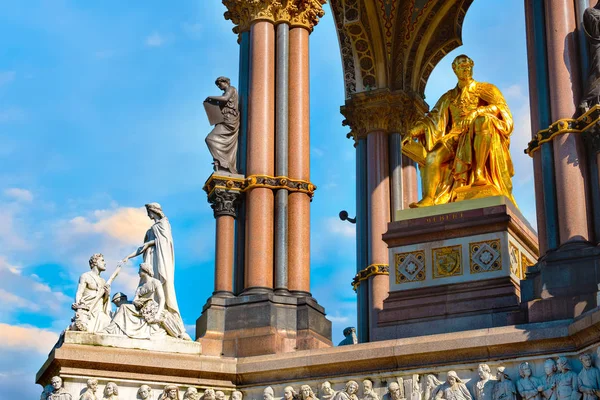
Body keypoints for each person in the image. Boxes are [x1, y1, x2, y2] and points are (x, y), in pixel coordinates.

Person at [405, 54, 515, 207]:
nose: (466, 69)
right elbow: (432, 118)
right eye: (462, 67)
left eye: (468, 66)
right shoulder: (449, 97)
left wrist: (476, 112)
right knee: (433, 157)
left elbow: (501, 109)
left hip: (477, 132)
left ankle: (478, 175)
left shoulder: (486, 89)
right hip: (455, 137)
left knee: (482, 122)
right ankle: (429, 198)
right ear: (454, 69)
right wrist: (413, 132)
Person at [122, 203, 190, 340]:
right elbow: (143, 247)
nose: (148, 215)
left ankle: (163, 310)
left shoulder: (163, 224)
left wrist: (151, 243)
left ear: (154, 211)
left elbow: (165, 242)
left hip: (160, 258)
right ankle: (148, 307)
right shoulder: (151, 229)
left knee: (160, 283)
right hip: (150, 257)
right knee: (146, 283)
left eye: (148, 211)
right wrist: (128, 257)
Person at [102, 263, 171, 339]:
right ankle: (111, 328)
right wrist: (136, 302)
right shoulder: (141, 286)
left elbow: (162, 299)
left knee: (123, 306)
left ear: (145, 271)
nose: (138, 272)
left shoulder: (155, 282)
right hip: (140, 307)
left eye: (139, 270)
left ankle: (110, 329)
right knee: (123, 306)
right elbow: (135, 299)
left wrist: (158, 314)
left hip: (151, 307)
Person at [204, 76, 240, 174]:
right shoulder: (225, 92)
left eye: (220, 85)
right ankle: (223, 162)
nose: (219, 87)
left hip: (229, 120)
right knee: (210, 139)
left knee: (210, 139)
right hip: (224, 120)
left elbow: (225, 98)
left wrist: (210, 97)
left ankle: (223, 162)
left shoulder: (231, 89)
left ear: (225, 82)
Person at [70, 253, 112, 333]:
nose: (105, 263)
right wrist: (78, 305)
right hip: (87, 309)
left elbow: (104, 301)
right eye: (102, 261)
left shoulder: (103, 281)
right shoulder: (85, 276)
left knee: (107, 323)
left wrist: (107, 294)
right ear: (95, 262)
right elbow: (79, 292)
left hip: (99, 310)